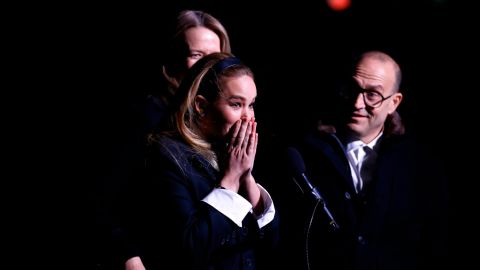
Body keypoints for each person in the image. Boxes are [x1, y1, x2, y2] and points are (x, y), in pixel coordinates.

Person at [279, 50, 448, 269]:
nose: (357, 103)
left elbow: (434, 243)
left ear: (394, 103)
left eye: (373, 95)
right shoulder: (306, 152)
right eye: (353, 89)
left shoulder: (419, 166)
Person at [95, 10, 232, 270]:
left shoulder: (212, 124)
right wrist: (129, 258)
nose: (208, 66)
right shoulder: (147, 117)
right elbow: (103, 200)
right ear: (172, 61)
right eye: (197, 55)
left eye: (215, 57)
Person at [132, 52, 279, 270]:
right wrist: (230, 181)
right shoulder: (166, 155)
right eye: (236, 104)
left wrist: (246, 177)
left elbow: (272, 246)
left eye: (252, 105)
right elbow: (187, 250)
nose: (248, 117)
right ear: (201, 106)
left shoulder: (229, 153)